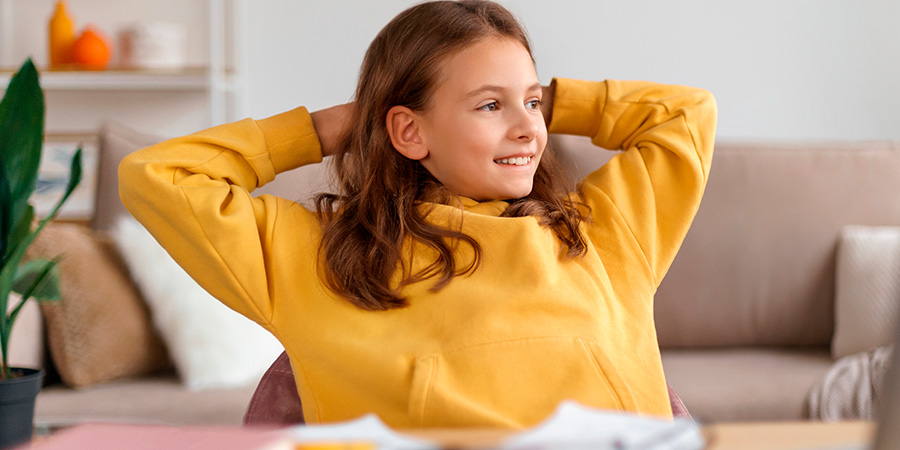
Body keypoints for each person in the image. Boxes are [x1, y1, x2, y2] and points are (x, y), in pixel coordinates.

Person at [119, 0, 717, 429]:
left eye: (532, 104)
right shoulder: (317, 254)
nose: (527, 127)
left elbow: (686, 117)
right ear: (408, 130)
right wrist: (332, 128)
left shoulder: (602, 230)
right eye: (489, 104)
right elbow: (158, 176)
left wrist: (541, 98)